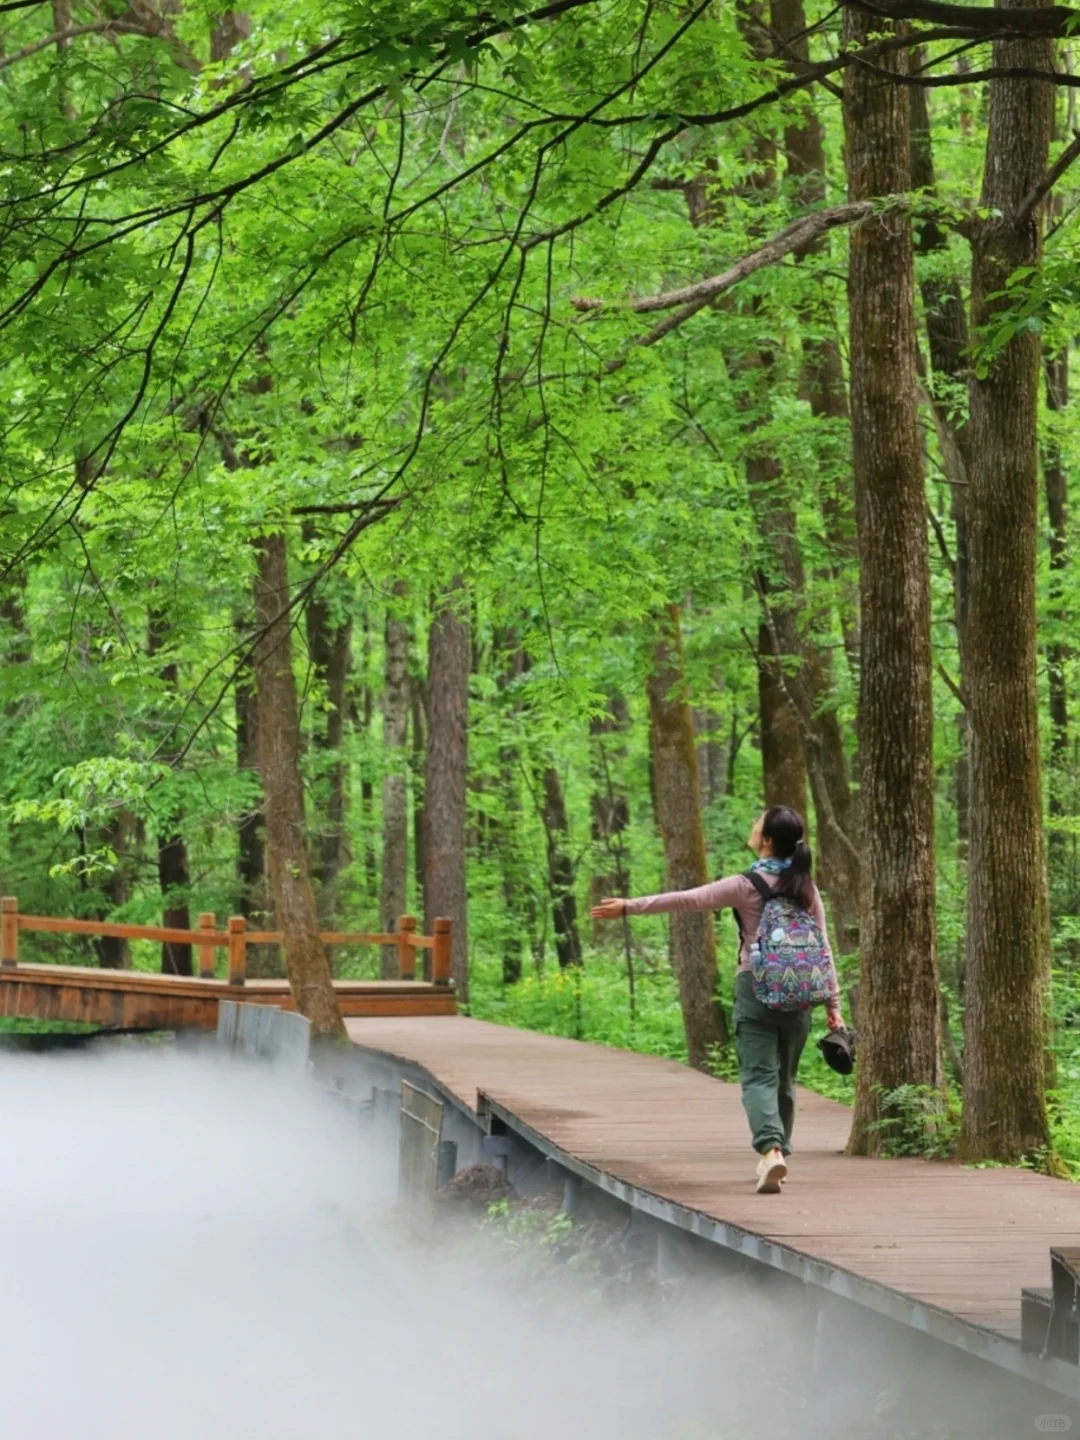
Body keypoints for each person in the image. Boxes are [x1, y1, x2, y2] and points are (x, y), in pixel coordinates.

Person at [590, 805, 843, 1195]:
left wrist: (629, 907)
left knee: (758, 1075)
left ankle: (770, 1150)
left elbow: (689, 899)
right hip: (800, 996)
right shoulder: (806, 887)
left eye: (757, 822)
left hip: (754, 988)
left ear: (768, 840)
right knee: (785, 1080)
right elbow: (823, 947)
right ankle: (779, 1153)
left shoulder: (746, 884)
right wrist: (834, 1006)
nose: (752, 824)